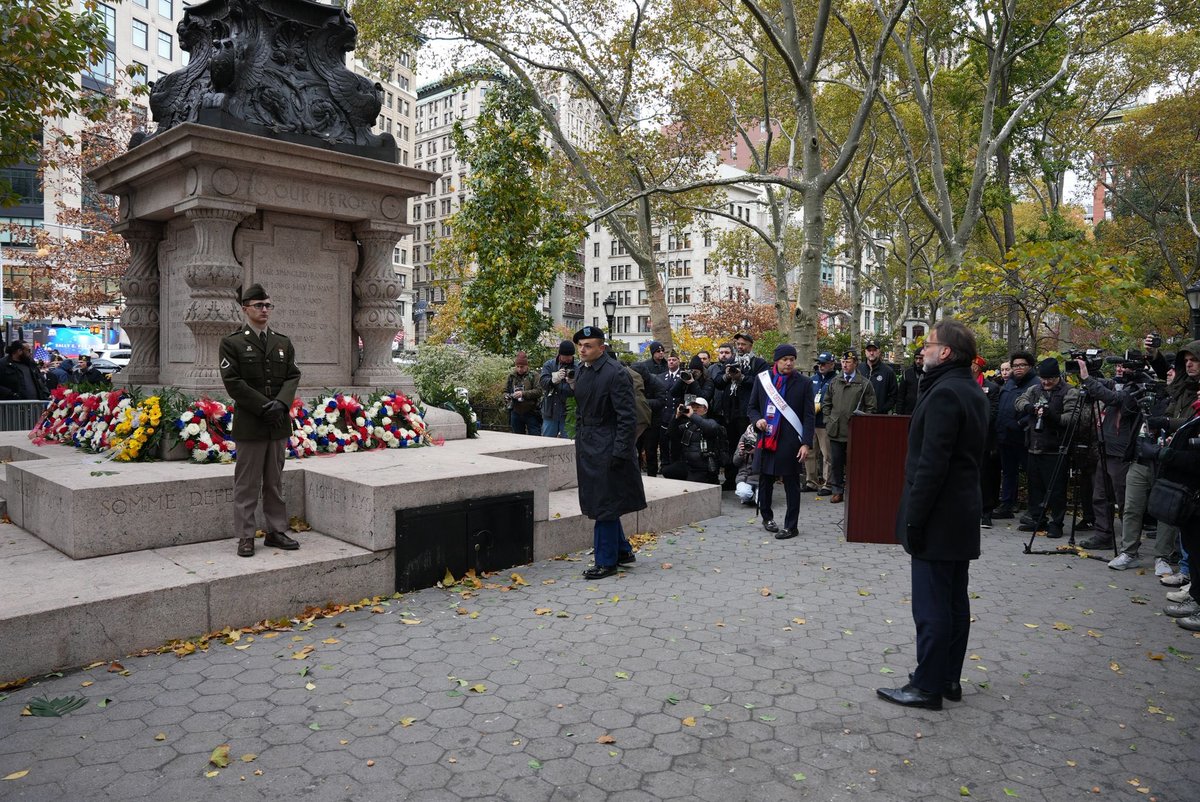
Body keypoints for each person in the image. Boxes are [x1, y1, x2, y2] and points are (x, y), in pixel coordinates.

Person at [877, 319, 988, 711]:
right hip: (960, 513)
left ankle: (927, 686)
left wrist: (914, 519)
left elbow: (932, 466)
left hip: (939, 516)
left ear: (946, 352)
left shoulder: (945, 394)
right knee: (955, 600)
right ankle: (947, 678)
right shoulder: (969, 390)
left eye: (928, 344)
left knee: (932, 606)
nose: (921, 349)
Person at [220, 284, 303, 558]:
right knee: (247, 483)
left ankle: (275, 531)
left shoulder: (283, 342)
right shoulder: (232, 343)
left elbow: (292, 375)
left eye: (268, 305)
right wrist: (262, 405)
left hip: (277, 422)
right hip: (251, 422)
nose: (264, 310)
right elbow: (233, 382)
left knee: (274, 481)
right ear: (245, 309)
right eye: (259, 305)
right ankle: (245, 536)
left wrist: (280, 403)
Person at [572, 326, 646, 579]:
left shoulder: (616, 373)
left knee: (604, 503)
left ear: (601, 348)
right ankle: (623, 551)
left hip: (608, 444)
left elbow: (628, 417)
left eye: (588, 345)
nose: (582, 349)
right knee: (601, 500)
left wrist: (620, 452)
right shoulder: (582, 369)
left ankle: (606, 562)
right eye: (580, 345)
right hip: (588, 443)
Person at [1074, 354, 1140, 560]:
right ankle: (1103, 535)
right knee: (1100, 496)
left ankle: (1130, 545)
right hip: (1105, 448)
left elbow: (1113, 398)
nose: (1119, 370)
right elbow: (1102, 384)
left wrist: (1087, 378)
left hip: (1122, 453)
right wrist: (1086, 369)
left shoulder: (1138, 386)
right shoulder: (1118, 383)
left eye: (1123, 367)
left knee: (1125, 500)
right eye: (1118, 366)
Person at [748, 344, 815, 540]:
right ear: (776, 360)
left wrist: (806, 443)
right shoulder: (763, 380)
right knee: (765, 481)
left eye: (792, 359)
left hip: (790, 442)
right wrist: (757, 419)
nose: (789, 363)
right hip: (767, 438)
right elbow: (751, 407)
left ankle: (791, 526)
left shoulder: (804, 383)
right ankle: (767, 518)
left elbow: (809, 416)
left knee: (791, 484)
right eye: (785, 359)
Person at [1014, 358, 1079, 538]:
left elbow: (1072, 418)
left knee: (1057, 490)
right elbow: (1019, 401)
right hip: (1034, 446)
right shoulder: (1035, 390)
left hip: (1056, 449)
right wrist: (1029, 408)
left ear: (1057, 377)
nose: (1046, 382)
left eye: (1050, 378)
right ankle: (1037, 519)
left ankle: (1056, 523)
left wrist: (1052, 416)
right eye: (1043, 378)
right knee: (1035, 487)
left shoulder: (1069, 391)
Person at [824, 349, 877, 503]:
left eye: (848, 362)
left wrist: (864, 422)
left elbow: (871, 407)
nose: (845, 364)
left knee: (855, 463)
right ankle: (837, 490)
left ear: (855, 363)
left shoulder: (864, 384)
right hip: (836, 429)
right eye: (843, 361)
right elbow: (826, 403)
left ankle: (855, 490)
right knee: (836, 462)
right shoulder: (835, 381)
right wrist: (828, 420)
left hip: (855, 431)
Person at [994, 351, 1037, 519]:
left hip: (1024, 437)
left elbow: (1036, 410)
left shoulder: (1035, 384)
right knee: (1008, 472)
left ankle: (1033, 509)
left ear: (1030, 366)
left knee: (1030, 473)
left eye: (1022, 365)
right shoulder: (1009, 383)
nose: (1018, 368)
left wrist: (1020, 424)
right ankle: (1007, 504)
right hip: (1005, 436)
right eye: (1015, 365)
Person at [662, 396, 725, 483]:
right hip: (689, 465)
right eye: (692, 407)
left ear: (705, 409)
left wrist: (692, 416)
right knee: (667, 471)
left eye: (698, 407)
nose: (694, 409)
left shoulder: (711, 422)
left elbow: (710, 428)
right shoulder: (688, 425)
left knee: (692, 483)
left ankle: (710, 480)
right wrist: (676, 417)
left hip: (703, 467)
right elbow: (671, 433)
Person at [973, 356, 1001, 527]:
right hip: (965, 439)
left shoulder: (992, 388)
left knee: (985, 476)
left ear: (977, 367)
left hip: (984, 439)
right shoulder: (964, 384)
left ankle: (986, 512)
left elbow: (993, 412)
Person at [632, 341, 668, 476]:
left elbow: (661, 401)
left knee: (651, 451)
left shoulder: (656, 383)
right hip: (637, 420)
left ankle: (652, 477)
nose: (660, 354)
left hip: (652, 421)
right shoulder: (634, 381)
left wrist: (643, 403)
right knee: (635, 451)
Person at [806, 352, 837, 494]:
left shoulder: (836, 380)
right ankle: (810, 481)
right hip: (812, 421)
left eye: (824, 363)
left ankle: (828, 483)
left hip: (825, 423)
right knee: (810, 453)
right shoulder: (813, 379)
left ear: (832, 364)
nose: (821, 366)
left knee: (827, 455)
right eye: (819, 363)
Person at [539, 341, 575, 438]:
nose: (568, 359)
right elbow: (542, 383)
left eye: (570, 357)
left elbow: (584, 389)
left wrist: (573, 384)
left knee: (568, 445)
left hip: (569, 413)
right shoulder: (549, 365)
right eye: (565, 357)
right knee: (547, 443)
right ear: (559, 354)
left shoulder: (577, 367)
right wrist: (553, 380)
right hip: (550, 411)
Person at [505, 351, 542, 436]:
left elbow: (539, 391)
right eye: (517, 366)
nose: (519, 369)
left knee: (535, 437)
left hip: (531, 412)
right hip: (515, 411)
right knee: (517, 438)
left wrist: (523, 394)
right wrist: (507, 396)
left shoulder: (534, 375)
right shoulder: (511, 377)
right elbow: (504, 391)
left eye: (522, 367)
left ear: (526, 366)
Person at [863, 340, 899, 414]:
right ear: (865, 352)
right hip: (860, 415)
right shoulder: (859, 369)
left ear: (879, 352)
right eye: (869, 350)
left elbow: (894, 395)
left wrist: (883, 409)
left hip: (879, 416)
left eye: (874, 350)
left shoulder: (888, 372)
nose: (871, 353)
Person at [732, 423, 760, 505]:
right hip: (745, 476)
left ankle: (759, 493)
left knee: (762, 503)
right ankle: (748, 496)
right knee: (744, 493)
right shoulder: (744, 437)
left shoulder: (766, 437)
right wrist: (741, 453)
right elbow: (735, 462)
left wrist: (757, 453)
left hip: (761, 478)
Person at [895, 347, 924, 416]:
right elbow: (901, 395)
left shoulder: (930, 374)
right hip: (908, 413)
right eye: (916, 358)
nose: (918, 361)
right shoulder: (907, 373)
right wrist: (899, 412)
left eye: (920, 358)